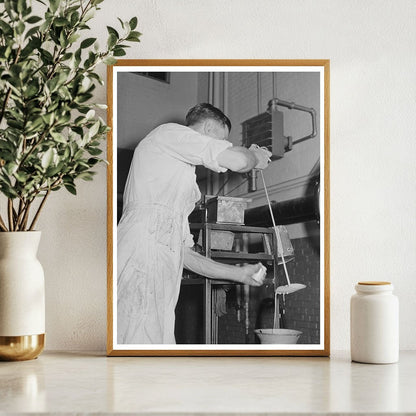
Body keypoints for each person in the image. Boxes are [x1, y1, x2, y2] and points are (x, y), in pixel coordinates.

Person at [117, 103, 272, 344]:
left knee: (155, 343)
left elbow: (185, 255)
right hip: (141, 253)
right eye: (221, 140)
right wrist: (256, 156)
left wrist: (239, 274)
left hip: (158, 261)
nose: (221, 147)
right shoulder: (168, 134)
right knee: (137, 341)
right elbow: (240, 161)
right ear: (209, 127)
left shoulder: (178, 178)